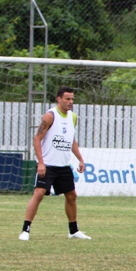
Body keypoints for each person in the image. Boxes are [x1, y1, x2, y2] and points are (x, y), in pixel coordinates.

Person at [19, 87, 91, 241]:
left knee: (71, 195)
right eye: (67, 99)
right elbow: (37, 139)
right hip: (48, 165)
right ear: (59, 99)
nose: (70, 102)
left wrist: (80, 158)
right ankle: (25, 230)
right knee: (38, 193)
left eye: (72, 99)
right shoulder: (50, 116)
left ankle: (73, 230)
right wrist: (41, 163)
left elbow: (72, 140)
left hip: (64, 166)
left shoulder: (73, 117)